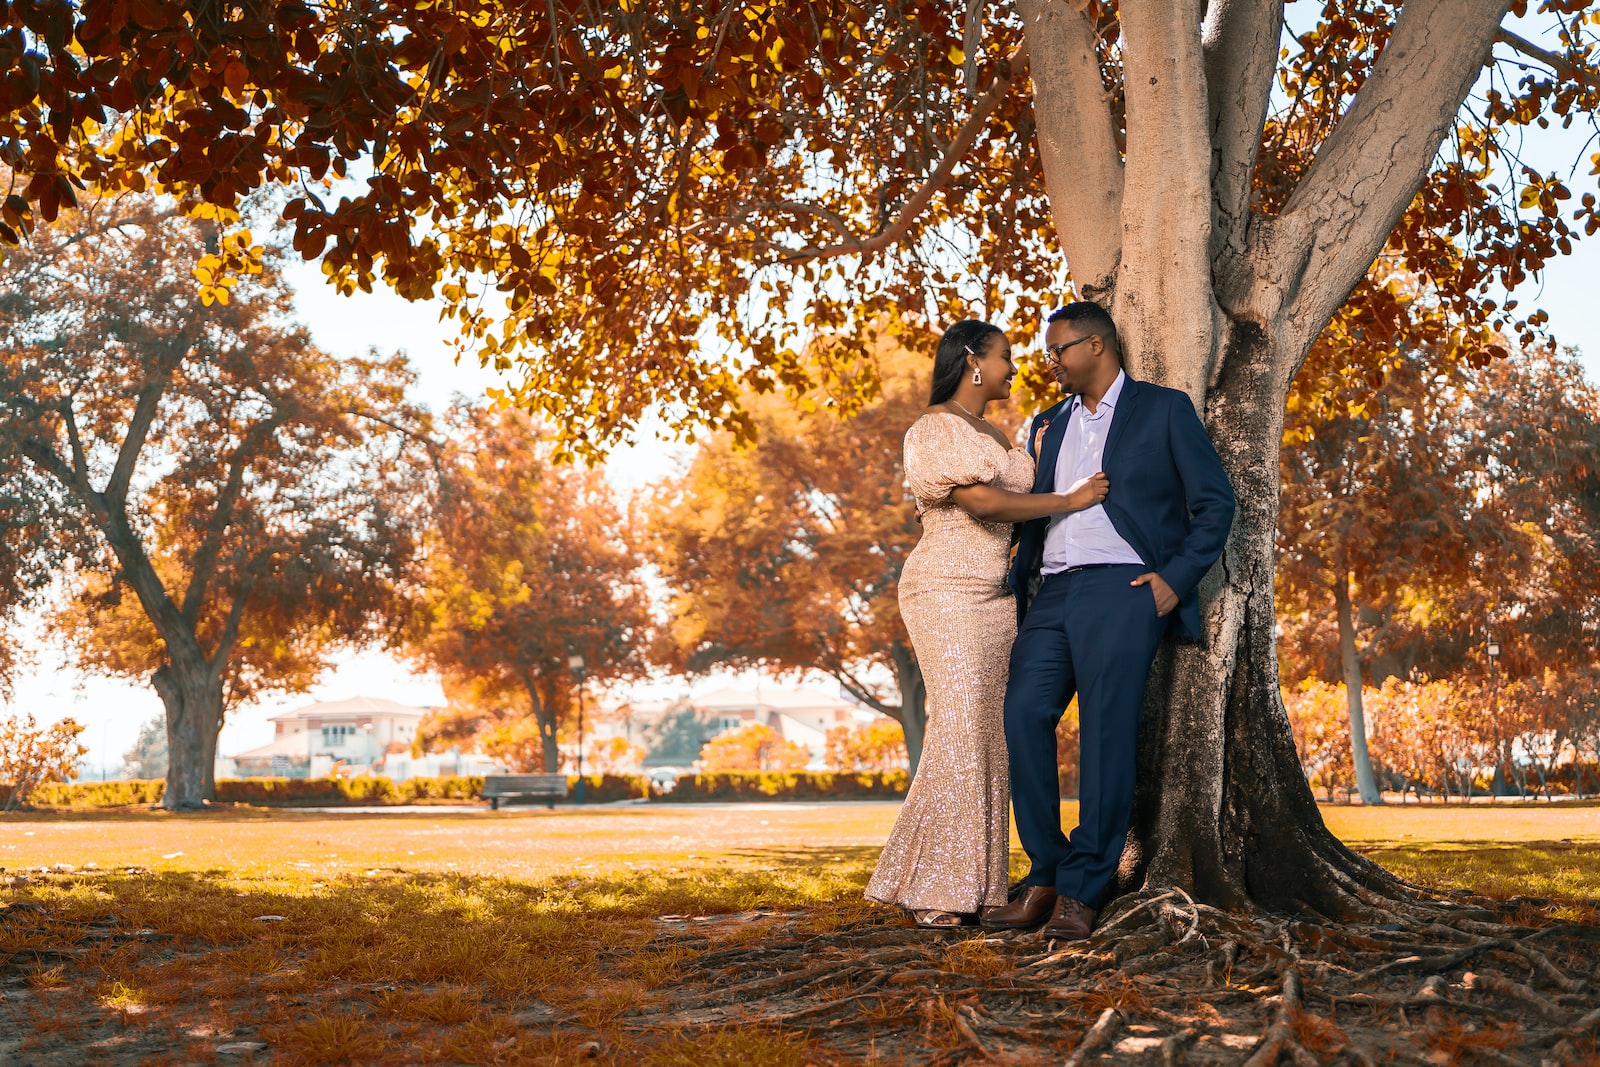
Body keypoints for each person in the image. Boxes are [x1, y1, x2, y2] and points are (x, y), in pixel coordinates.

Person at [981, 302, 1236, 939]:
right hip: (1053, 594)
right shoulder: (1050, 424)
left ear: (1095, 346)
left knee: (1104, 735)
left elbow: (1215, 503)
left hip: (1125, 591)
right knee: (1023, 715)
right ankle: (1045, 874)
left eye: (1058, 349)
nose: (1050, 361)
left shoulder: (1163, 409)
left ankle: (1084, 889)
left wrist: (1173, 583)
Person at [865, 319, 1108, 927]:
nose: (1014, 366)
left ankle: (972, 884)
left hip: (998, 599)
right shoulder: (933, 429)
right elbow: (983, 503)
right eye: (1005, 356)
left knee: (990, 734)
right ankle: (934, 891)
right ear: (973, 361)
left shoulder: (1000, 433)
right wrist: (1070, 501)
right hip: (944, 589)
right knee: (962, 723)